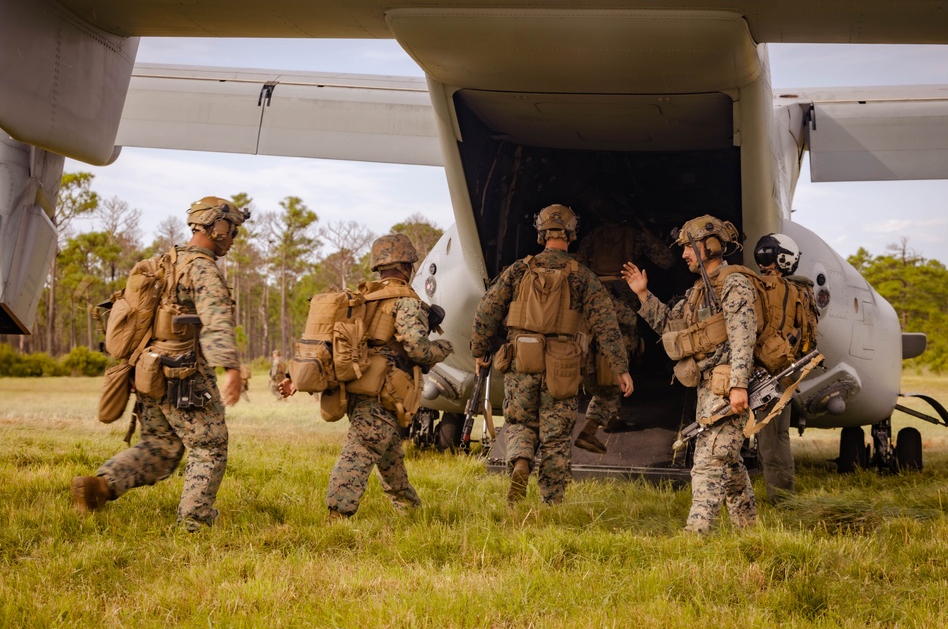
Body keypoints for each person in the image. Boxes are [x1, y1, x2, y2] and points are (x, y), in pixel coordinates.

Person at [72, 196, 248, 532]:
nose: (233, 238)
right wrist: (232, 368)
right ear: (218, 226)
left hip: (148, 371)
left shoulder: (163, 262)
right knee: (209, 446)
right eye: (233, 230)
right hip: (184, 375)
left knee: (161, 446)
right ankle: (194, 523)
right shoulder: (202, 268)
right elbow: (216, 320)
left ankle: (101, 486)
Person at [281, 233, 453, 519]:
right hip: (384, 390)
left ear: (379, 267)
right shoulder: (405, 300)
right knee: (360, 450)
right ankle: (337, 513)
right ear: (408, 265)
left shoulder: (363, 297)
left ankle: (410, 511)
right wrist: (444, 348)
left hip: (357, 385)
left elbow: (329, 340)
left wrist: (292, 376)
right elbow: (418, 350)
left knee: (388, 453)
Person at [471, 204, 634, 505]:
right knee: (556, 437)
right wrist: (620, 368)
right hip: (564, 364)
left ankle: (520, 461)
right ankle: (552, 501)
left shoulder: (519, 270)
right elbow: (607, 324)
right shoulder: (583, 277)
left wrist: (480, 351)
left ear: (541, 233)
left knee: (520, 422)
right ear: (572, 234)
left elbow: (486, 310)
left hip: (522, 358)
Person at [622, 214, 757, 534]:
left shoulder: (734, 282)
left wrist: (739, 385)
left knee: (708, 461)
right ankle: (749, 531)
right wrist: (642, 294)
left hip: (726, 385)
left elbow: (743, 336)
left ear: (709, 247)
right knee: (728, 460)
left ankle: (696, 535)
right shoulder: (697, 290)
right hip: (707, 387)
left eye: (689, 247)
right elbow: (673, 328)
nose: (683, 254)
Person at [574, 220, 677, 451]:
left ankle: (605, 410)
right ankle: (607, 412)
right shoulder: (636, 234)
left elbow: (578, 263)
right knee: (620, 357)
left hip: (595, 297)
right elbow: (666, 260)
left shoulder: (594, 233)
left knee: (595, 353)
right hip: (624, 301)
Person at [752, 233, 819, 502]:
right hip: (783, 372)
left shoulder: (756, 287)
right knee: (777, 437)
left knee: (771, 441)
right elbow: (809, 338)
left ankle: (781, 499)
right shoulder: (801, 291)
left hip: (762, 374)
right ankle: (780, 496)